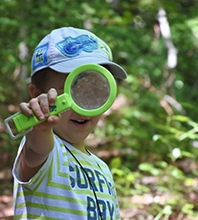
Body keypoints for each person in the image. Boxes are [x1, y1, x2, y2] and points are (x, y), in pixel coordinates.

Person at [12, 26, 127, 220]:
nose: (81, 106)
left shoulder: (102, 169)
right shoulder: (50, 152)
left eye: (93, 92)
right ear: (36, 94)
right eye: (70, 90)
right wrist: (39, 128)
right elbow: (35, 152)